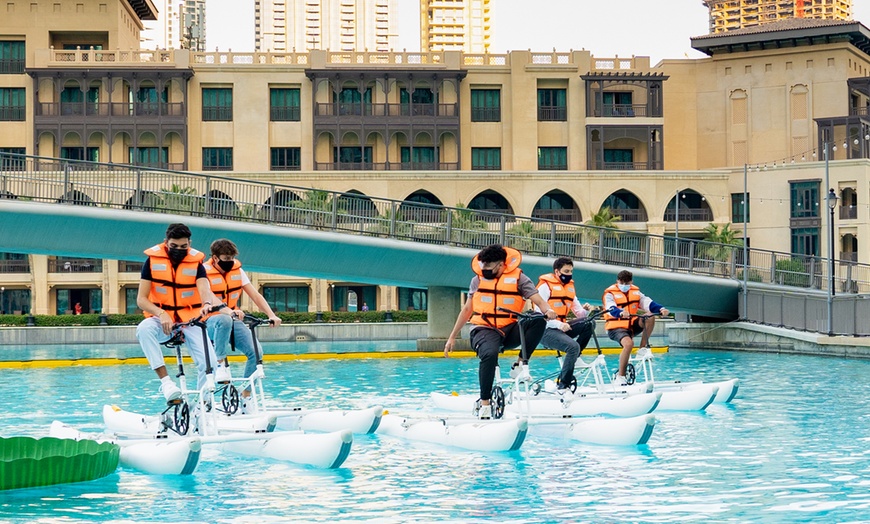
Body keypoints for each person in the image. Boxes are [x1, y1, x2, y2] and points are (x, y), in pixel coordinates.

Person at [444, 244, 557, 419]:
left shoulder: (519, 278)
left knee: (537, 319)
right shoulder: (477, 280)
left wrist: (547, 310)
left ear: (502, 264)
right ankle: (485, 404)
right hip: (483, 328)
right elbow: (467, 310)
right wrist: (452, 337)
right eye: (483, 266)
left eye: (489, 267)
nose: (485, 270)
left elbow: (538, 299)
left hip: (509, 329)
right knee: (489, 354)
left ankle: (519, 364)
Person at [136, 223, 229, 403]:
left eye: (183, 247)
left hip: (190, 320)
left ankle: (201, 405)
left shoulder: (196, 263)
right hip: (162, 321)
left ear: (189, 243)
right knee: (143, 329)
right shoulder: (151, 262)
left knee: (210, 364)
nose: (179, 250)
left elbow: (204, 289)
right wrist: (161, 313)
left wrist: (207, 303)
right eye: (174, 246)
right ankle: (166, 383)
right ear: (166, 242)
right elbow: (141, 299)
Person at [203, 238, 282, 410]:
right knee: (223, 319)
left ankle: (245, 397)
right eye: (226, 259)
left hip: (231, 317)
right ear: (215, 258)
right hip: (208, 320)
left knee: (256, 352)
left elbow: (255, 295)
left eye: (232, 258)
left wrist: (271, 315)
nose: (230, 262)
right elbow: (209, 296)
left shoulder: (238, 271)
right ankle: (220, 363)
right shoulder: (203, 271)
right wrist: (227, 311)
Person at [534, 257, 597, 397]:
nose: (569, 274)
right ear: (557, 271)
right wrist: (559, 324)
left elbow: (579, 313)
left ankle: (576, 358)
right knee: (573, 346)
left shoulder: (569, 289)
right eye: (566, 271)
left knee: (589, 323)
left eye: (571, 271)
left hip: (562, 328)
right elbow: (539, 316)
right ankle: (563, 387)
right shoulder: (545, 287)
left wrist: (586, 310)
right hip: (545, 331)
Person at [603, 270, 670, 386]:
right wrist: (619, 312)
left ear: (631, 282)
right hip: (616, 328)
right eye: (622, 283)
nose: (624, 286)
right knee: (628, 344)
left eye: (627, 283)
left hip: (632, 326)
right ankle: (621, 377)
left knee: (649, 316)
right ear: (617, 281)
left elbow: (647, 302)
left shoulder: (636, 291)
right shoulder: (609, 293)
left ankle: (642, 349)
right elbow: (610, 307)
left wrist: (661, 309)